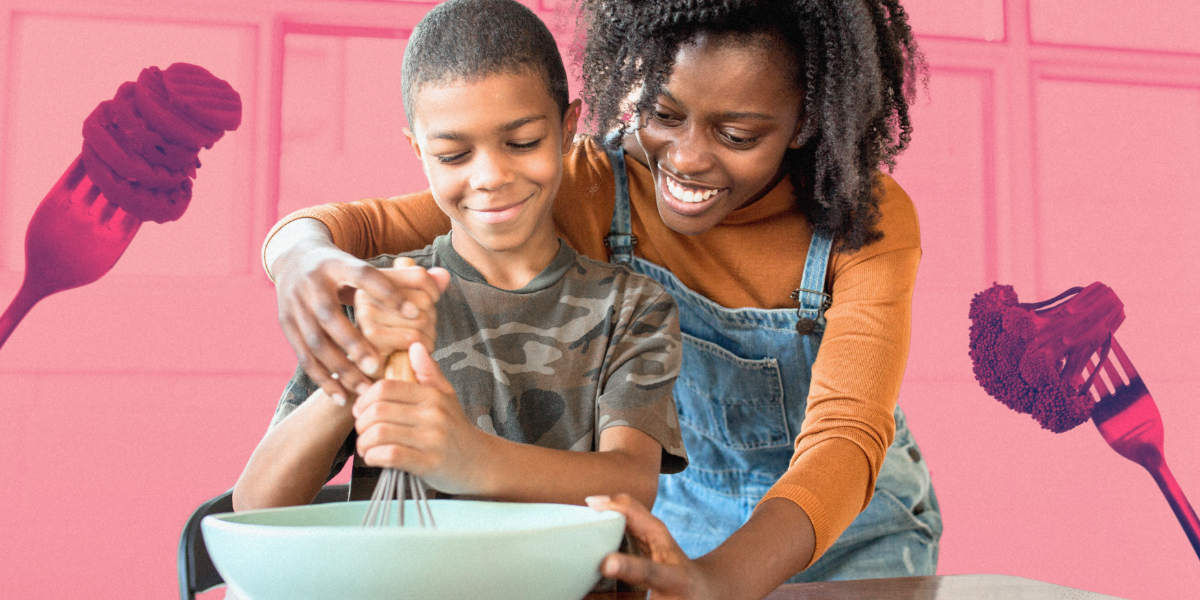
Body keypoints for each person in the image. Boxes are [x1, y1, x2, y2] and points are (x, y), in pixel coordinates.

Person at [261, 0, 939, 598]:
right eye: (664, 114)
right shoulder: (590, 181)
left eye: (737, 135)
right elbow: (369, 224)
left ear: (805, 121)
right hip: (673, 538)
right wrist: (300, 257)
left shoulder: (861, 224)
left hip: (843, 539)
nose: (688, 158)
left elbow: (846, 438)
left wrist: (725, 583)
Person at [233, 0, 687, 519]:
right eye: (453, 155)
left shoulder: (632, 307)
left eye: (522, 142)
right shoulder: (381, 296)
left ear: (567, 130)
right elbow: (256, 504)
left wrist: (468, 459)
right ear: (419, 151)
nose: (490, 176)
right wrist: (362, 365)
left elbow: (631, 484)